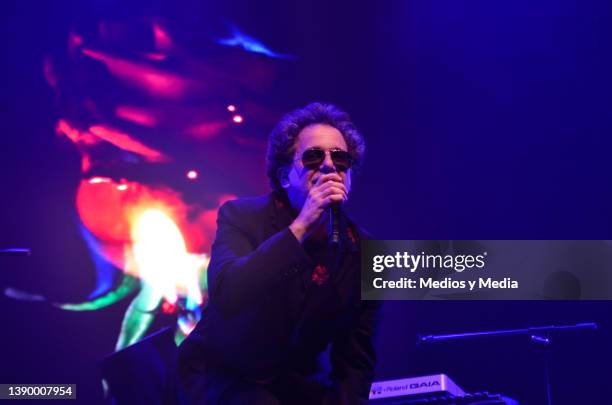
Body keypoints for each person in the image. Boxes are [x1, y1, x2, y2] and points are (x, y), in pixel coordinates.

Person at [178, 102, 380, 404]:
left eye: (340, 158)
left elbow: (355, 359)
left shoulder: (364, 252)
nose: (328, 165)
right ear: (285, 177)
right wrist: (301, 227)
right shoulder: (242, 216)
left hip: (294, 388)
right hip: (224, 378)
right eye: (313, 157)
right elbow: (229, 293)